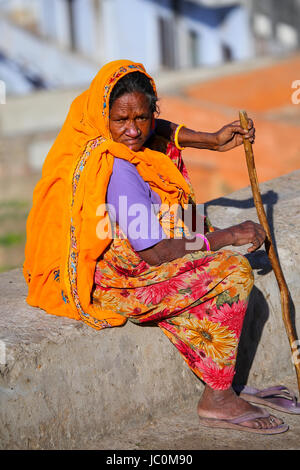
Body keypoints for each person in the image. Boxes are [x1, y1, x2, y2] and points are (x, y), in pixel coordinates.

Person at [24, 59, 288, 434]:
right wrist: (228, 236)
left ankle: (227, 377)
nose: (132, 131)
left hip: (133, 255)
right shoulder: (119, 171)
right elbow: (156, 254)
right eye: (121, 121)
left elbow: (157, 129)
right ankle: (218, 398)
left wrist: (210, 140)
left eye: (141, 118)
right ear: (105, 117)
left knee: (203, 243)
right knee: (232, 272)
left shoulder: (103, 128)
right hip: (120, 281)